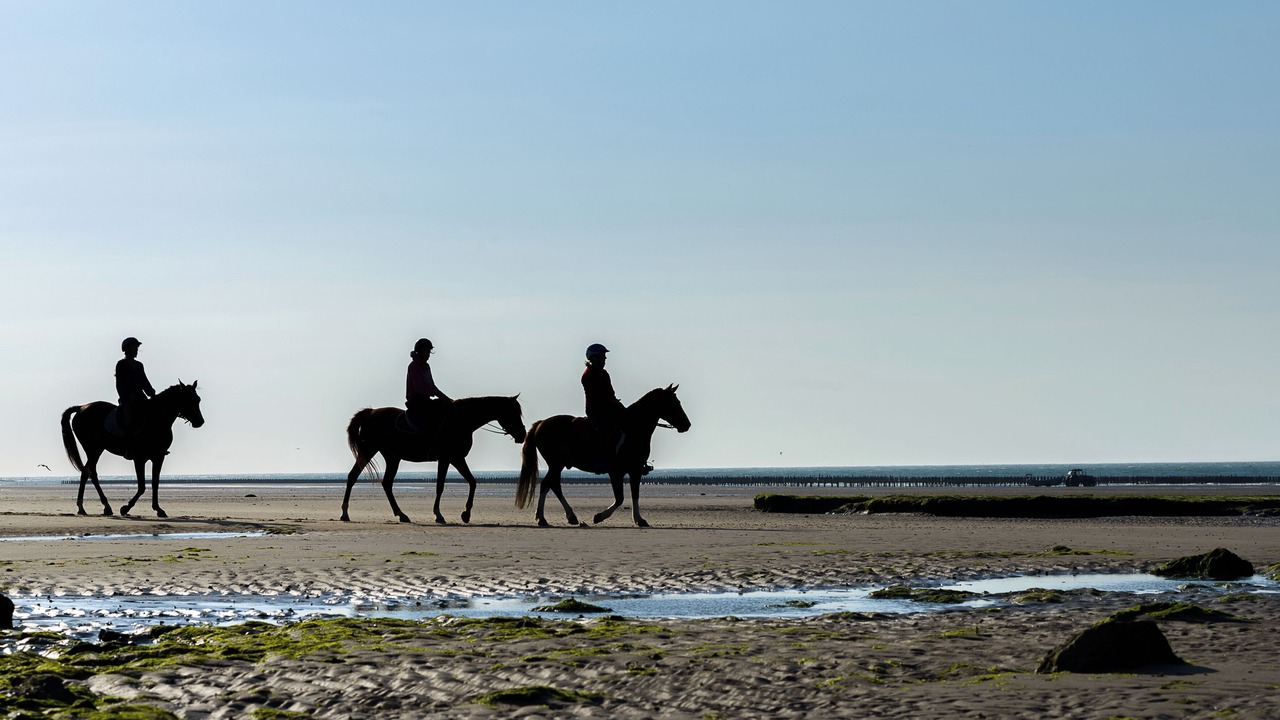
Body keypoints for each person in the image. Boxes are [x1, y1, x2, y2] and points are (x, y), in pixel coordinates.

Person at [582, 343, 627, 454]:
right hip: (596, 410)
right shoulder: (589, 375)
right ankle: (601, 457)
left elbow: (610, 394)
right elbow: (600, 396)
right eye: (603, 355)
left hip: (608, 407)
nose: (605, 358)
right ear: (595, 357)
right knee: (608, 430)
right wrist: (613, 403)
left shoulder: (603, 373)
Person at [115, 337, 156, 447]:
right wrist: (127, 396)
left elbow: (144, 381)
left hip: (141, 397)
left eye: (136, 348)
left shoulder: (139, 365)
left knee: (153, 416)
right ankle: (129, 446)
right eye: (134, 348)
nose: (136, 350)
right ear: (128, 349)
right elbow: (120, 384)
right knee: (131, 419)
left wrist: (151, 393)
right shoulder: (121, 364)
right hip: (128, 400)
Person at [405, 338, 451, 434]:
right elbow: (419, 388)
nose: (428, 354)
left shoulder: (426, 366)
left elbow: (432, 386)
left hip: (425, 400)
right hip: (416, 401)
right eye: (426, 351)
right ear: (420, 351)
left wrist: (446, 398)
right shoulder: (413, 366)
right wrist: (433, 393)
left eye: (429, 351)